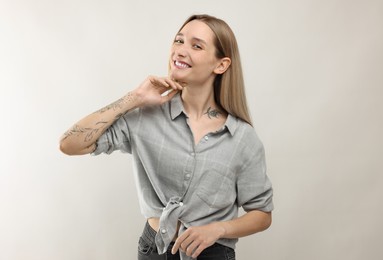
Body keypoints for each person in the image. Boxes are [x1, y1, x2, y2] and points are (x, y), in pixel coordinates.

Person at [59, 14, 274, 260]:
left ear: (221, 65)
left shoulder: (242, 138)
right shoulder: (145, 116)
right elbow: (69, 144)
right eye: (178, 41)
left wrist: (219, 229)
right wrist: (134, 98)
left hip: (211, 254)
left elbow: (262, 213)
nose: (181, 51)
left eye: (196, 46)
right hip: (154, 250)